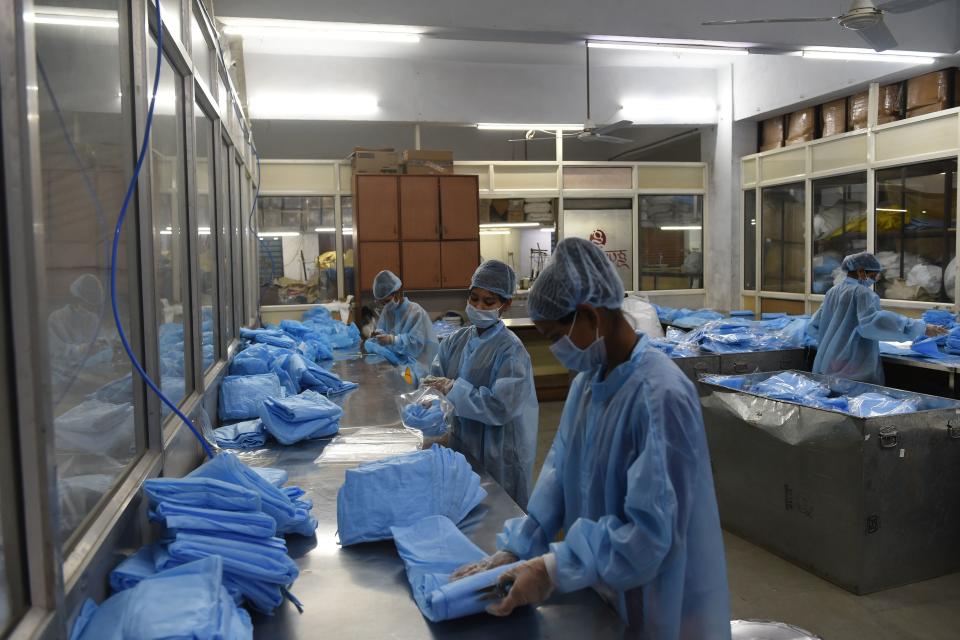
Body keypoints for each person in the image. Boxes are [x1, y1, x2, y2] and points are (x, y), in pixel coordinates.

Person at [451, 238, 731, 639]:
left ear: (589, 316)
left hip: (663, 601)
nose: (556, 350)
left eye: (554, 337)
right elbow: (559, 472)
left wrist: (552, 569)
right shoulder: (589, 383)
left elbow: (651, 536)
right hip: (606, 584)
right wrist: (518, 548)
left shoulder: (659, 397)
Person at [424, 260, 539, 508]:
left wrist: (454, 389)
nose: (478, 307)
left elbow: (500, 406)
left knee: (501, 513)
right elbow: (436, 381)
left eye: (488, 302)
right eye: (474, 299)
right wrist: (429, 401)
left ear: (505, 304)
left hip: (500, 452)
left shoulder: (511, 350)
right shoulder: (456, 340)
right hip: (461, 444)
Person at [808, 251, 946, 385]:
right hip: (852, 369)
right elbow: (873, 323)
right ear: (861, 272)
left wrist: (834, 343)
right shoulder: (862, 293)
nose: (874, 280)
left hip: (827, 364)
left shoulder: (832, 292)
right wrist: (920, 328)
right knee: (856, 404)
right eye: (873, 275)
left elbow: (814, 325)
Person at [370, 270, 438, 368]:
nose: (385, 305)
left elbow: (416, 344)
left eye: (387, 301)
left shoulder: (415, 311)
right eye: (382, 303)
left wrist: (392, 339)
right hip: (401, 367)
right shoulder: (387, 312)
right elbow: (383, 331)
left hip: (420, 367)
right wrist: (378, 335)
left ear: (397, 293)